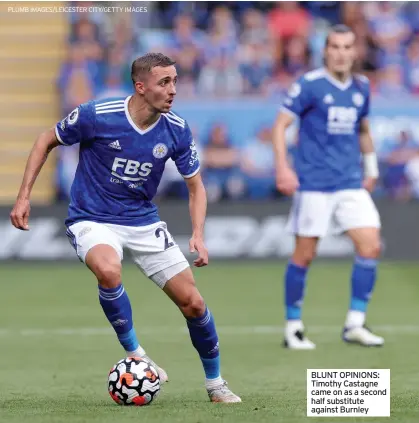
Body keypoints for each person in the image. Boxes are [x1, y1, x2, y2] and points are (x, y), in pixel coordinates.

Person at [10, 53, 241, 403]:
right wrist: (24, 197)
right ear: (141, 86)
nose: (173, 89)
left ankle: (216, 384)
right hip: (92, 216)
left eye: (175, 81)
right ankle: (136, 353)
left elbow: (196, 185)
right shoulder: (96, 115)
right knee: (108, 269)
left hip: (143, 220)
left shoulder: (176, 129)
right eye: (165, 82)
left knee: (193, 303)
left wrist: (198, 233)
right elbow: (46, 140)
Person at [272, 25, 384, 350]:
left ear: (355, 51)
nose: (341, 52)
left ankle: (355, 324)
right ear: (326, 50)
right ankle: (293, 327)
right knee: (304, 255)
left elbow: (363, 128)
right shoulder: (309, 85)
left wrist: (372, 167)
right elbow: (280, 126)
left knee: (371, 246)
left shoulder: (362, 87)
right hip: (314, 185)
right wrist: (282, 166)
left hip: (349, 181)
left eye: (347, 46)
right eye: (335, 46)